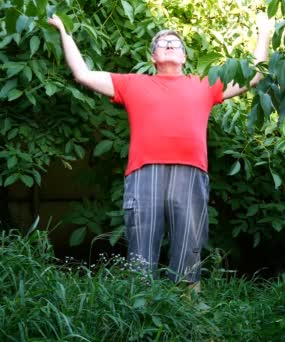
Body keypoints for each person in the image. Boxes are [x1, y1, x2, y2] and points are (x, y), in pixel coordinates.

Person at [47, 14, 272, 283]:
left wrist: (265, 31)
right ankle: (142, 311)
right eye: (162, 43)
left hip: (191, 173)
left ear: (184, 58)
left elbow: (254, 76)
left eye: (175, 43)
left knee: (189, 248)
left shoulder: (204, 84)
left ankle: (189, 313)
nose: (169, 45)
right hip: (144, 172)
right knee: (141, 250)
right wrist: (65, 29)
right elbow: (82, 74)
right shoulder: (133, 83)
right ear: (153, 57)